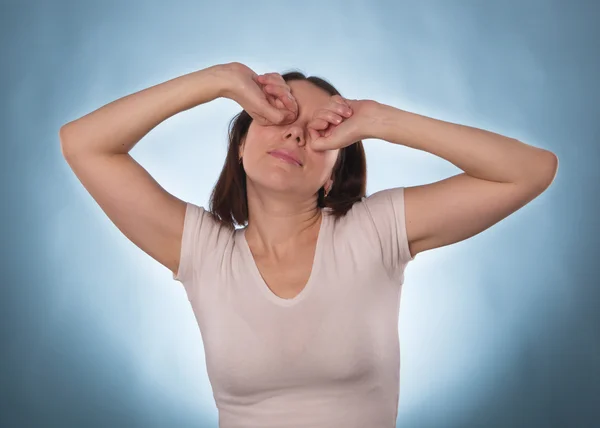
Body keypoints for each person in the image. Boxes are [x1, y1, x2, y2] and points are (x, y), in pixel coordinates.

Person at [59, 62, 558, 427]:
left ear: (333, 173)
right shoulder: (203, 252)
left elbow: (530, 171)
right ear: (241, 142)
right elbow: (83, 142)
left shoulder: (375, 230)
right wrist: (217, 81)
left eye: (318, 129)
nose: (296, 133)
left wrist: (381, 121)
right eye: (278, 114)